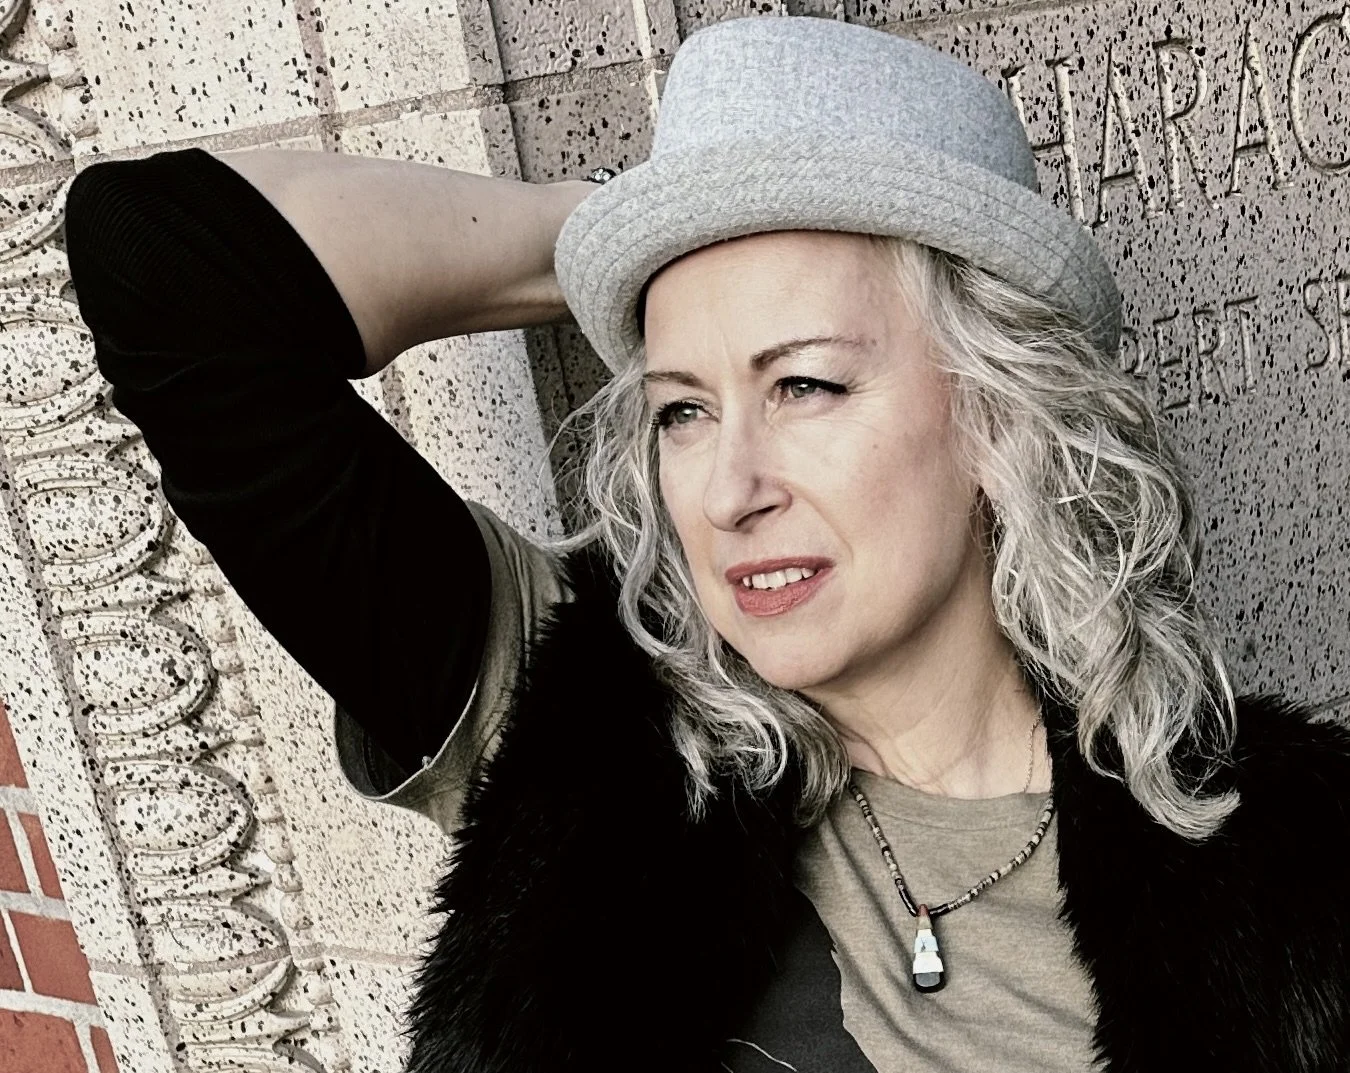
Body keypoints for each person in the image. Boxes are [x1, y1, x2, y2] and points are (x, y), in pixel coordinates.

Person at [61, 14, 1350, 1073]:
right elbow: (162, 259)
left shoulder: (1284, 878)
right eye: (682, 409)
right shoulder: (581, 725)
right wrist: (639, 228)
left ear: (1001, 411)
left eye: (806, 385)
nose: (729, 491)